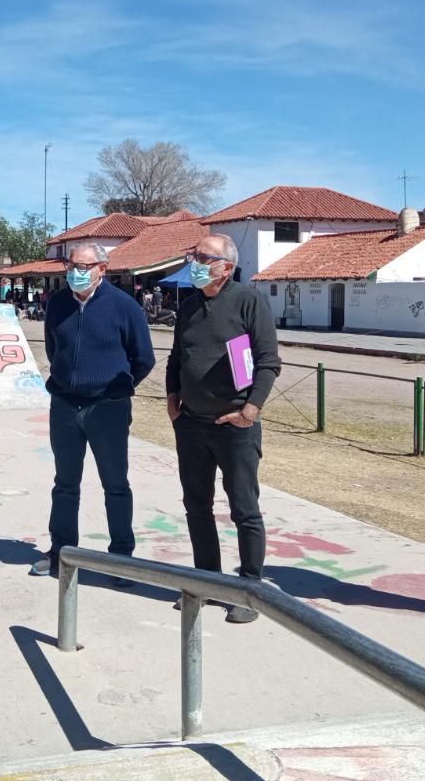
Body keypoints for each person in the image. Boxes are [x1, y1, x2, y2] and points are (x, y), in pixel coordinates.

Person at [165, 234, 281, 624]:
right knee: (196, 507)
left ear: (226, 267)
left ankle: (249, 589)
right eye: (192, 253)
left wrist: (250, 410)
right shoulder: (190, 305)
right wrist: (172, 401)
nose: (192, 261)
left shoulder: (249, 301)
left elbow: (267, 362)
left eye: (201, 256)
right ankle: (207, 581)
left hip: (235, 426)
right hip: (192, 426)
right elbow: (177, 357)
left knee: (243, 509)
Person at [32, 244, 155, 580]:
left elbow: (143, 358)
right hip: (65, 407)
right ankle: (61, 551)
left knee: (115, 484)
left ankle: (121, 558)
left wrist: (116, 388)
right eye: (72, 265)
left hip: (108, 409)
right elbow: (53, 348)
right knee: (65, 484)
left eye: (85, 266)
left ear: (103, 268)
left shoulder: (124, 307)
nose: (76, 271)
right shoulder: (57, 304)